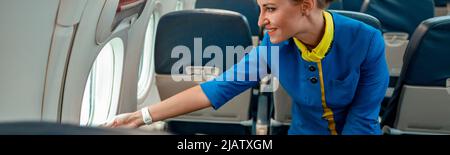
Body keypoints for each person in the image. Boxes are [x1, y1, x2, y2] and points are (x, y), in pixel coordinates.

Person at [105, 0, 389, 135]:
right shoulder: (273, 46)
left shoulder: (366, 41)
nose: (261, 20)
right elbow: (219, 87)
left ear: (306, 5)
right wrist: (140, 116)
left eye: (271, 9)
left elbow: (363, 118)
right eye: (260, 9)